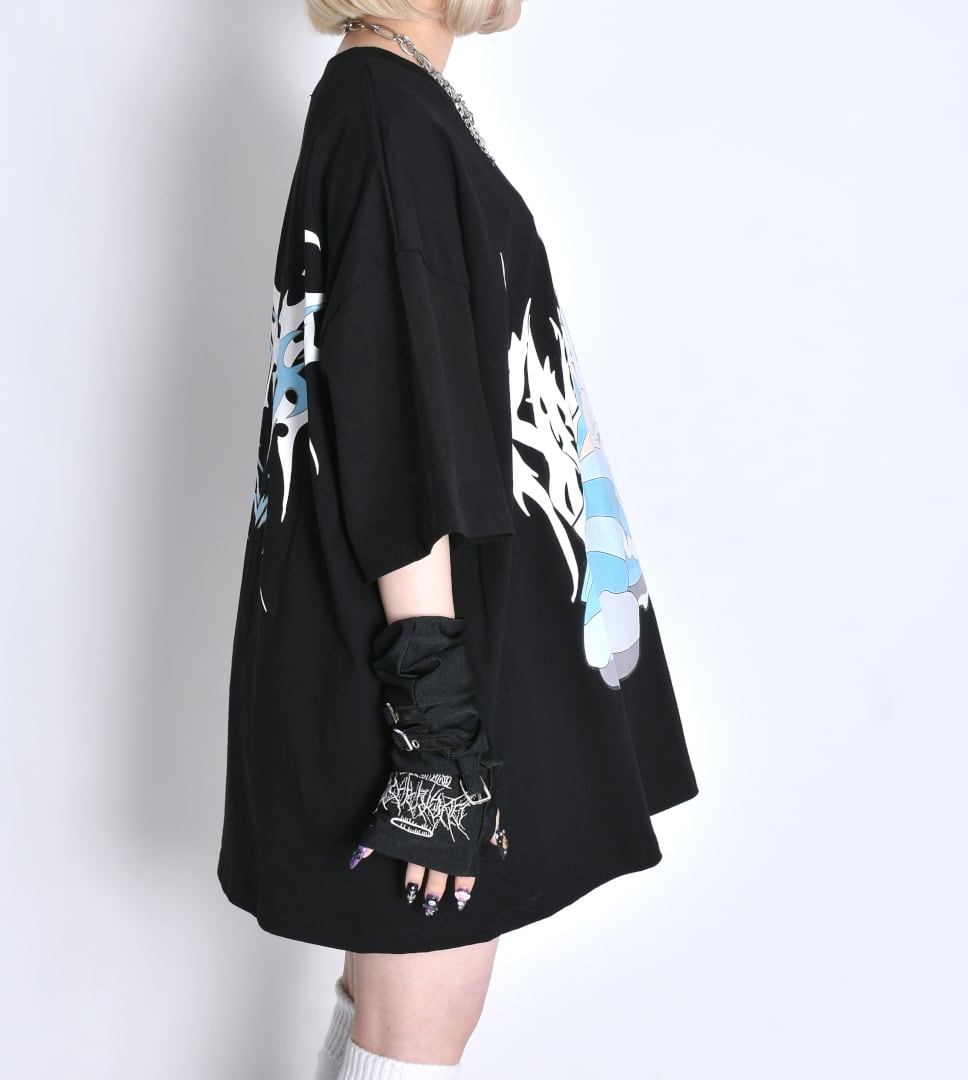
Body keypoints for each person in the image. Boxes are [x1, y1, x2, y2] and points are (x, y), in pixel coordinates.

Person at [215, 2, 700, 1076]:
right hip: (418, 666)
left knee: (398, 1006)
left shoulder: (388, 102)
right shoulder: (383, 112)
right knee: (419, 1018)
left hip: (428, 654)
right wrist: (435, 728)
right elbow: (394, 421)